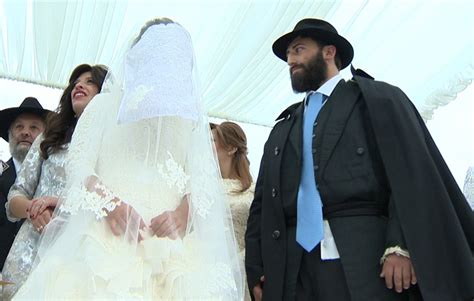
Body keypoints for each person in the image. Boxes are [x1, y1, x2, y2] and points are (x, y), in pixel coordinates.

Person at [13, 18, 243, 300]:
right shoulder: (104, 105)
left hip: (168, 254)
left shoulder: (187, 122)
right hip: (103, 242)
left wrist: (184, 212)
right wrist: (110, 203)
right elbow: (79, 163)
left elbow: (202, 180)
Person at [245, 18, 474, 301]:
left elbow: (409, 177)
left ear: (329, 52)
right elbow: (262, 205)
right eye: (289, 54)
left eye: (299, 49)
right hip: (294, 269)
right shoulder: (283, 127)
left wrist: (399, 246)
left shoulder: (376, 101)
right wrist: (256, 269)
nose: (291, 59)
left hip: (365, 262)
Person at [2, 64, 108, 299]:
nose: (78, 85)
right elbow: (15, 196)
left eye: (90, 81)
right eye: (76, 82)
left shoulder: (112, 144)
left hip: (78, 253)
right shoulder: (49, 137)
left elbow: (110, 201)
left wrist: (58, 203)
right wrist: (34, 208)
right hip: (29, 249)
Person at [0, 97, 48, 287]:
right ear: (10, 134)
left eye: (34, 128)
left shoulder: (54, 179)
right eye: (19, 127)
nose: (25, 132)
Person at [211, 121, 254, 301]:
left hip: (240, 271)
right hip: (206, 268)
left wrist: (236, 265)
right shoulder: (203, 186)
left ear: (230, 148)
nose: (206, 146)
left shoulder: (253, 189)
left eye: (212, 140)